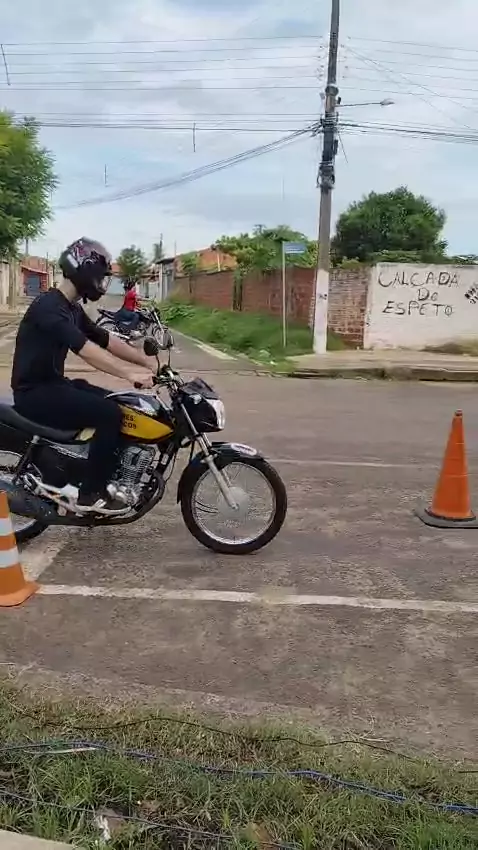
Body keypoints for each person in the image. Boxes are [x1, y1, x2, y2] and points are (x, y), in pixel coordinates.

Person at [11, 237, 155, 515]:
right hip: (34, 393)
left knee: (119, 402)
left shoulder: (71, 308)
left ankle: (99, 473)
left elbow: (104, 339)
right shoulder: (49, 308)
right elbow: (86, 349)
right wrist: (129, 373)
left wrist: (147, 361)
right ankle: (91, 494)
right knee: (109, 414)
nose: (102, 283)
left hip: (53, 385)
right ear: (84, 271)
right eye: (100, 276)